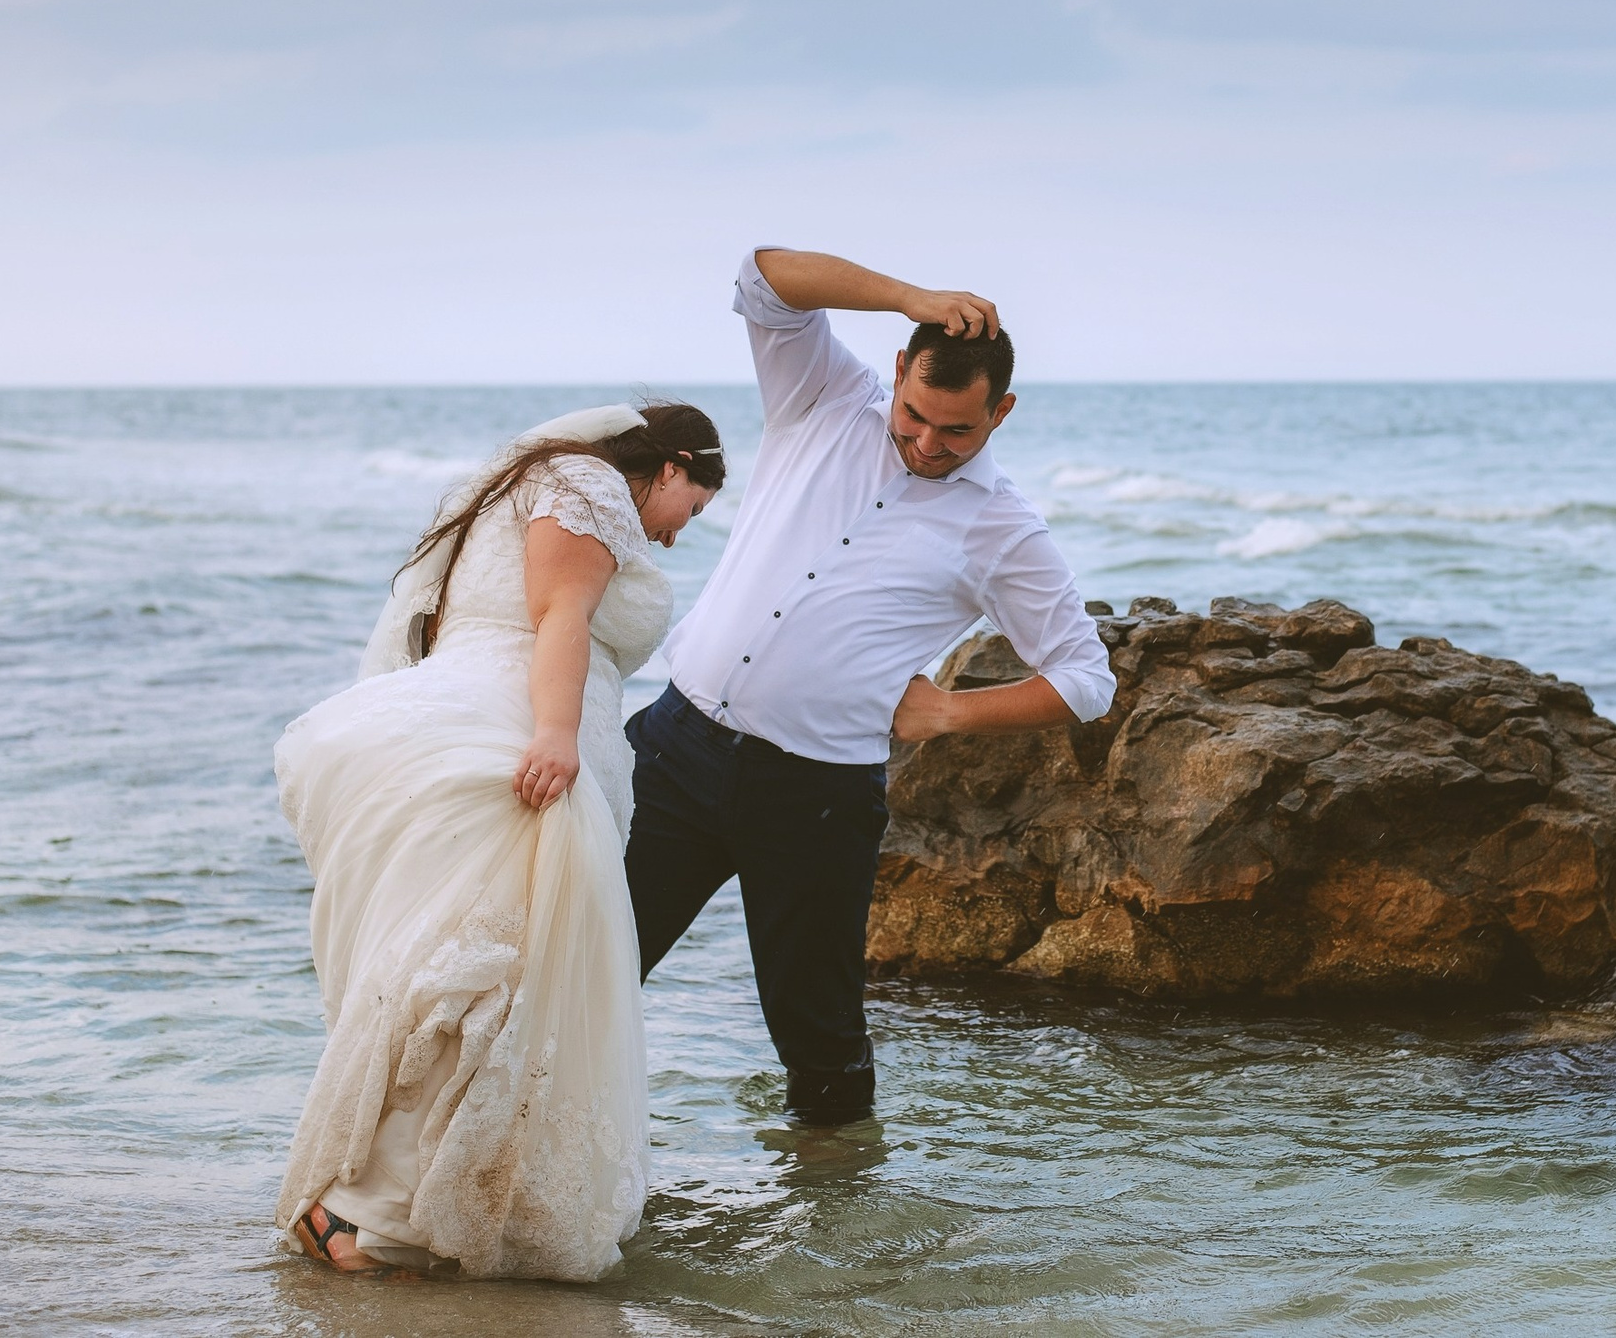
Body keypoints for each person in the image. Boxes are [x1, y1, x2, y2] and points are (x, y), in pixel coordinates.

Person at [625, 248, 1114, 1126]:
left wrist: (951, 712)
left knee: (818, 1037)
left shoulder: (1003, 527)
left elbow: (1087, 679)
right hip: (678, 751)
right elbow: (764, 279)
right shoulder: (820, 397)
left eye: (958, 430)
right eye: (916, 414)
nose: (928, 443)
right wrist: (908, 297)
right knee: (586, 962)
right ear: (897, 371)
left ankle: (835, 1243)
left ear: (1001, 412)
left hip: (813, 796)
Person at [271, 402, 725, 1279]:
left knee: (489, 976)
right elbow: (558, 616)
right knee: (482, 973)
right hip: (523, 741)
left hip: (503, 726)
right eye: (693, 511)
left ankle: (438, 1199)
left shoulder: (525, 486)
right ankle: (359, 1202)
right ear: (672, 465)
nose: (677, 538)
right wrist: (555, 734)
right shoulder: (585, 483)